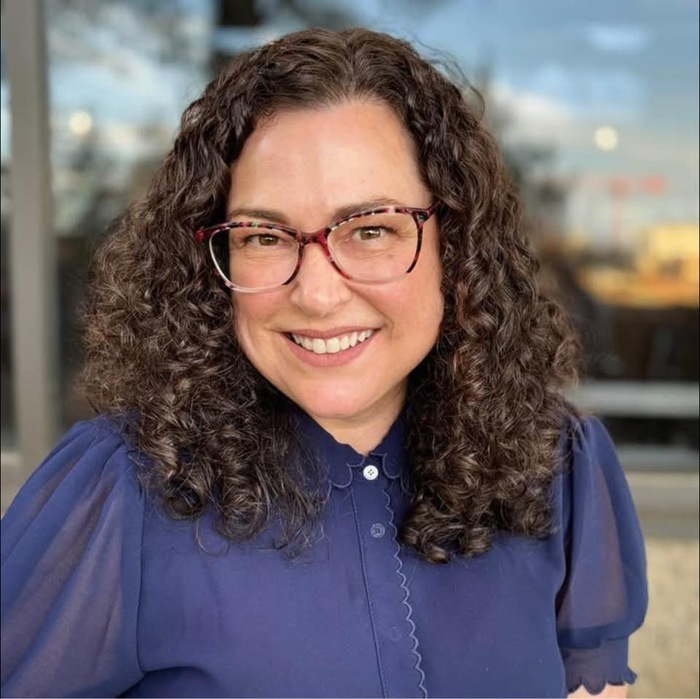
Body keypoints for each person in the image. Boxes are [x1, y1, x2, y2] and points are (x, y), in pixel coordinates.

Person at [0, 27, 647, 699]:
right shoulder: (124, 489)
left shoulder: (556, 465)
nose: (316, 293)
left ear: (456, 243)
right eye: (263, 236)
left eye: (371, 229)